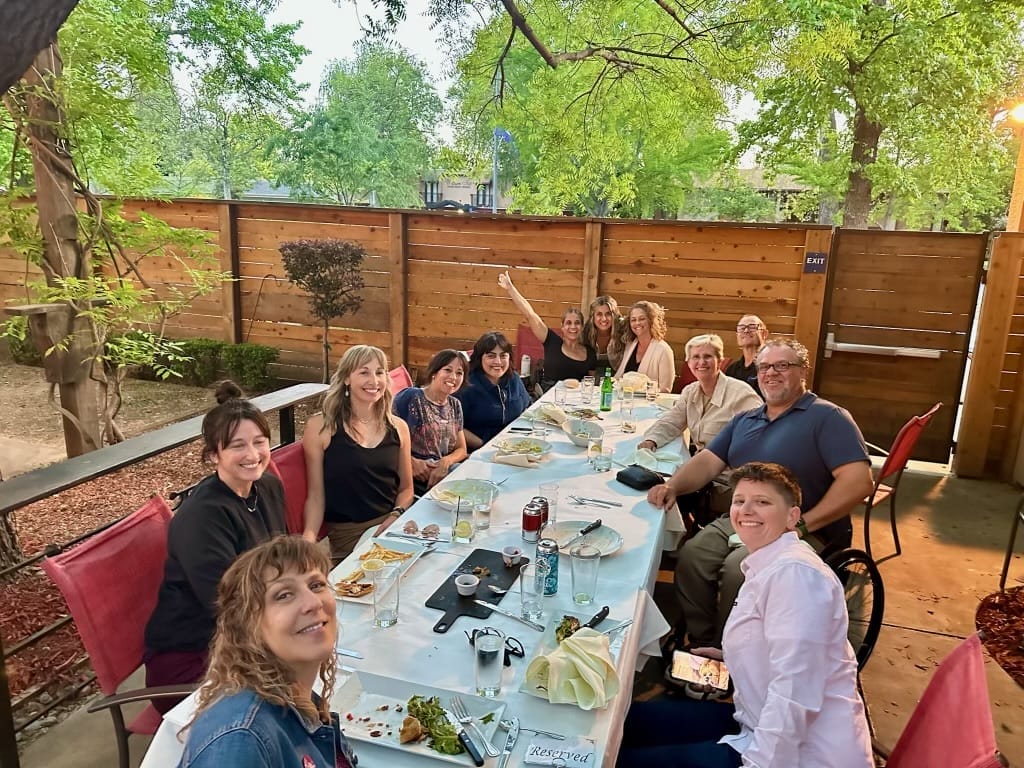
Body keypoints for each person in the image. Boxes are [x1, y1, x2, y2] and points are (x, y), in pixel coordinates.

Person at [620, 463, 873, 768]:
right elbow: (778, 648)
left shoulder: (795, 576)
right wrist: (732, 656)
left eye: (763, 502)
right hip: (754, 722)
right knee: (625, 723)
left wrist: (756, 764)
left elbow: (794, 692)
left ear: (793, 516)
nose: (746, 510)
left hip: (799, 753)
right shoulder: (765, 562)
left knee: (623, 760)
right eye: (739, 501)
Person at [648, 338, 873, 649]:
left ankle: (733, 650)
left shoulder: (828, 417)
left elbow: (859, 482)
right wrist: (673, 485)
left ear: (802, 371)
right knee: (692, 557)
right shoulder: (746, 419)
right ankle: (703, 643)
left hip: (801, 527)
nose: (771, 373)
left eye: (783, 365)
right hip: (743, 517)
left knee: (739, 570)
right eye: (765, 367)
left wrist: (803, 524)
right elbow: (707, 462)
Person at [144, 381, 287, 712]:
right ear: (213, 455)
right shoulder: (202, 516)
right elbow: (228, 605)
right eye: (237, 446)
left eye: (259, 442)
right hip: (195, 656)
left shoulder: (267, 486)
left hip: (254, 632)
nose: (252, 455)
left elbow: (284, 564)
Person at [178, 536, 359, 768]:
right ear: (247, 625)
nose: (313, 602)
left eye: (316, 585)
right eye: (284, 595)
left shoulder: (295, 695)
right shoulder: (242, 741)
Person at [301, 344, 414, 559]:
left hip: (393, 525)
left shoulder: (398, 427)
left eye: (379, 372)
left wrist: (395, 515)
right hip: (349, 534)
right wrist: (308, 539)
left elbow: (406, 489)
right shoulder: (322, 428)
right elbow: (316, 496)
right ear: (346, 378)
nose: (374, 380)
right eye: (364, 372)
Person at [638, 334, 762, 527]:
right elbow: (672, 420)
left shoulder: (741, 396)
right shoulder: (691, 391)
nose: (701, 362)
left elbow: (756, 446)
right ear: (688, 362)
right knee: (647, 485)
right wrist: (651, 440)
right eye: (696, 357)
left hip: (729, 480)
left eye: (708, 357)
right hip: (702, 472)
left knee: (659, 494)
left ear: (719, 361)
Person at [498, 269, 596, 390]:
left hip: (576, 401)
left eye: (577, 323)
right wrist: (510, 288)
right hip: (549, 398)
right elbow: (530, 314)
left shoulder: (590, 353)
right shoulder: (551, 341)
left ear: (582, 327)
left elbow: (592, 384)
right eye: (568, 323)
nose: (573, 327)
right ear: (562, 327)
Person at [392, 349, 469, 495]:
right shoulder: (410, 397)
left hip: (442, 473)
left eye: (459, 373)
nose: (453, 377)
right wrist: (410, 461)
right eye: (447, 370)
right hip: (411, 476)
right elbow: (385, 439)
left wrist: (445, 463)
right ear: (434, 372)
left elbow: (462, 449)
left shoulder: (455, 405)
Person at [455, 331, 531, 450]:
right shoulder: (466, 385)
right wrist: (483, 444)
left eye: (503, 355)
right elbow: (453, 426)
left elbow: (527, 408)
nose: (498, 362)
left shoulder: (514, 378)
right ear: (480, 358)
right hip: (479, 450)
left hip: (515, 446)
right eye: (491, 356)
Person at [614, 300, 675, 392]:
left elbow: (665, 389)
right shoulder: (630, 345)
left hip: (649, 404)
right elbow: (620, 379)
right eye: (633, 320)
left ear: (651, 321)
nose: (637, 323)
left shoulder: (664, 350)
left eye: (642, 319)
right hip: (624, 401)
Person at [724, 315, 769, 398]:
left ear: (764, 334)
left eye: (752, 327)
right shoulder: (732, 370)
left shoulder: (770, 366)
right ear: (737, 335)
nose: (746, 330)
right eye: (741, 328)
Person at [583, 295, 626, 373]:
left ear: (614, 315)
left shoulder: (623, 330)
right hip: (591, 377)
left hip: (618, 377)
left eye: (608, 314)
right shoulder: (585, 331)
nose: (604, 319)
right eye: (599, 314)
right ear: (593, 316)